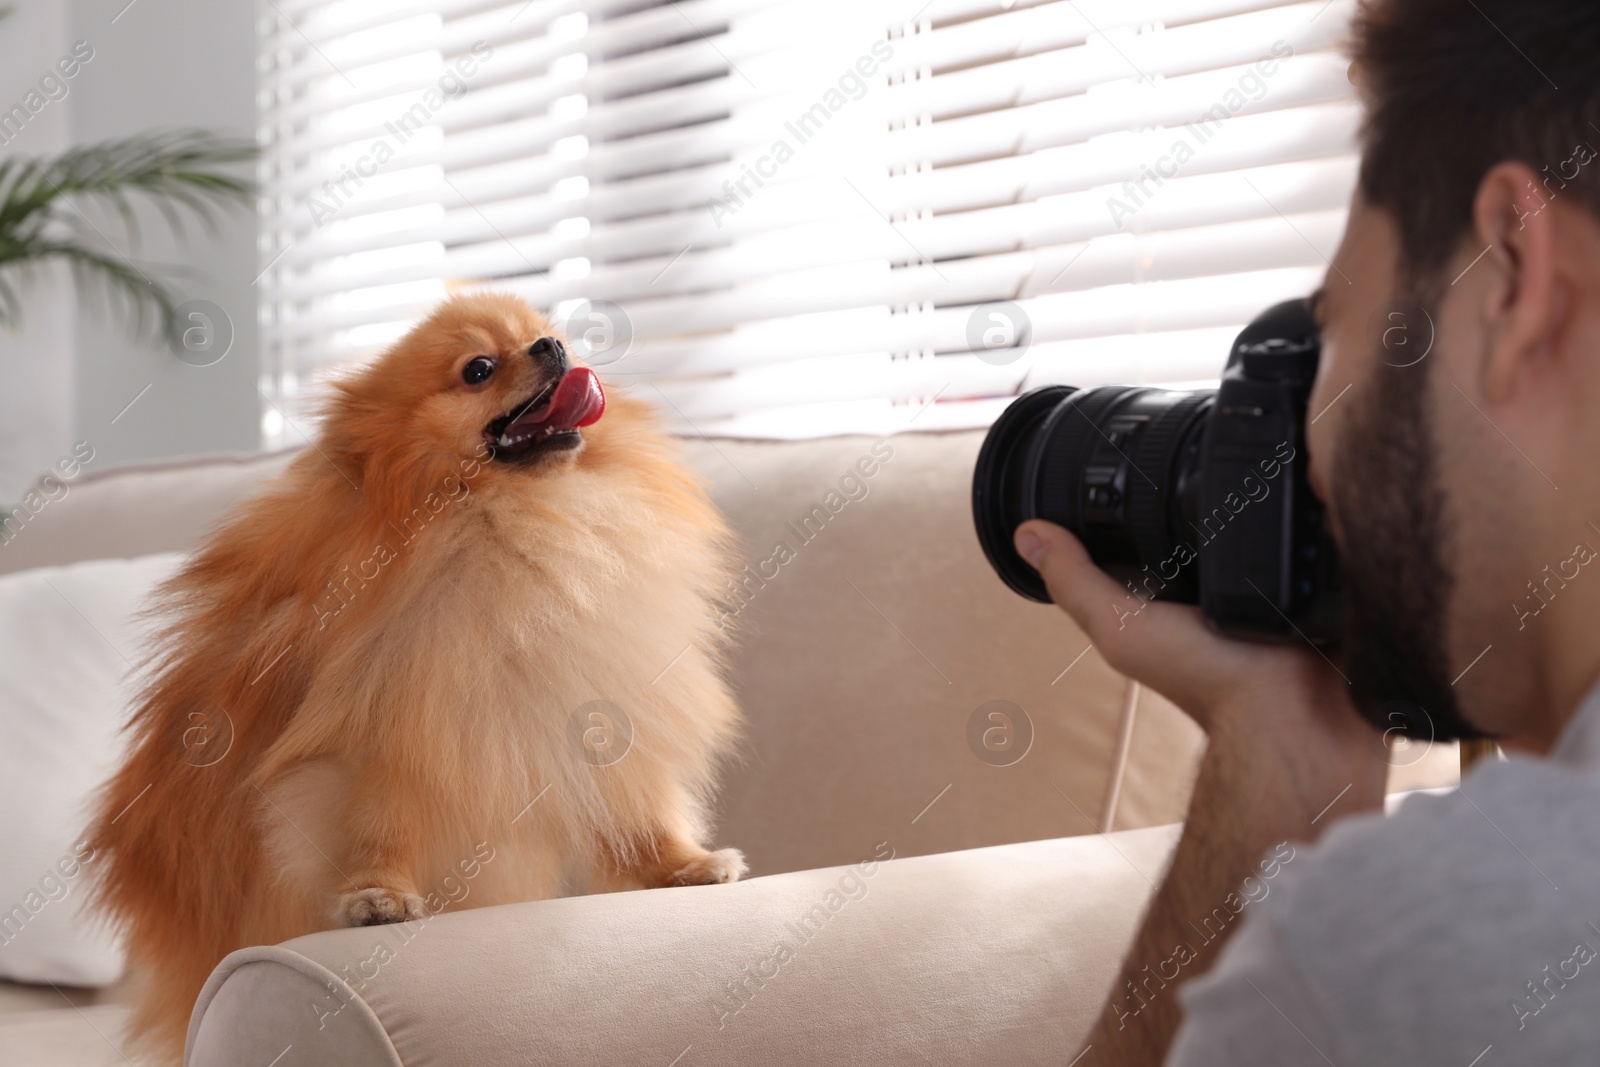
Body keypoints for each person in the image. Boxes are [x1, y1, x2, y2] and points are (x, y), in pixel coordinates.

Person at [1011, 1, 1600, 1062]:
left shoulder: (1416, 946)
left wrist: (1274, 754)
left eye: (1325, 327)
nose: (1308, 451)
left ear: (1510, 283)